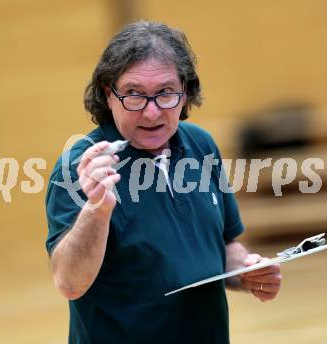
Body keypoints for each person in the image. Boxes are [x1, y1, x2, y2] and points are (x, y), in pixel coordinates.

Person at [45, 21, 281, 344]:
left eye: (165, 93)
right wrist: (97, 210)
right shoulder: (81, 165)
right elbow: (69, 282)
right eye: (134, 95)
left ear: (185, 93)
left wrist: (248, 270)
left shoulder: (201, 146)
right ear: (108, 94)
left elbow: (223, 247)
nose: (152, 112)